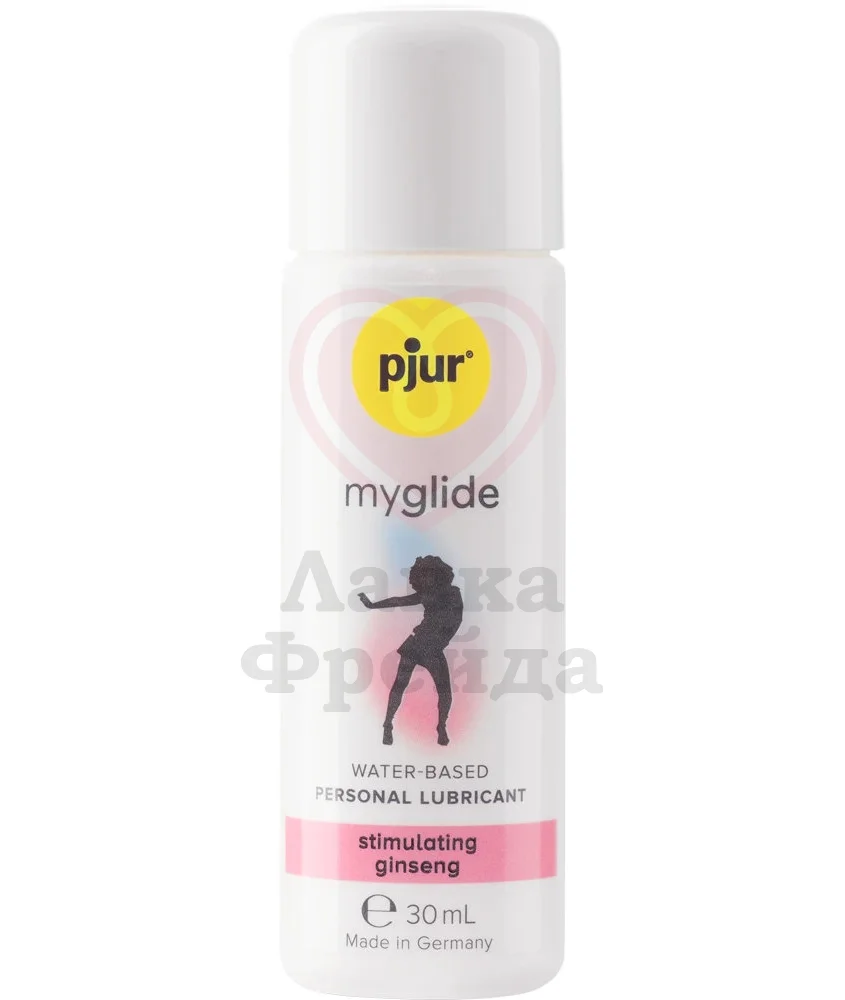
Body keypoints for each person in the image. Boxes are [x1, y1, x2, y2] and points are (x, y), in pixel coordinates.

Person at [359, 555, 463, 746]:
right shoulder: (425, 594)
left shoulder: (453, 593)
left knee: (445, 693)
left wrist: (441, 640)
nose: (427, 579)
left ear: (438, 574)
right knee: (400, 685)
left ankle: (441, 726)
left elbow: (456, 620)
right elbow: (397, 601)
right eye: (424, 576)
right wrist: (372, 605)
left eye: (430, 575)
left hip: (433, 648)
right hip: (417, 643)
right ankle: (388, 724)